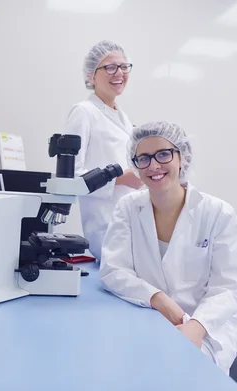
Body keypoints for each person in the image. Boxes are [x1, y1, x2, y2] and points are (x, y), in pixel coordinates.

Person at [98, 121, 237, 374]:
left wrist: (196, 327)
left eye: (163, 154)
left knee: (182, 369)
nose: (154, 166)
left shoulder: (217, 212)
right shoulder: (128, 207)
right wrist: (157, 298)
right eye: (143, 158)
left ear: (182, 158)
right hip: (146, 316)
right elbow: (114, 269)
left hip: (206, 325)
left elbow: (227, 288)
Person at [64, 40, 143, 262]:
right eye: (110, 67)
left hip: (129, 219)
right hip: (104, 226)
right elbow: (71, 176)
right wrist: (120, 179)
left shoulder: (123, 118)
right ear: (91, 75)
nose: (119, 73)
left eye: (124, 66)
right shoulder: (83, 112)